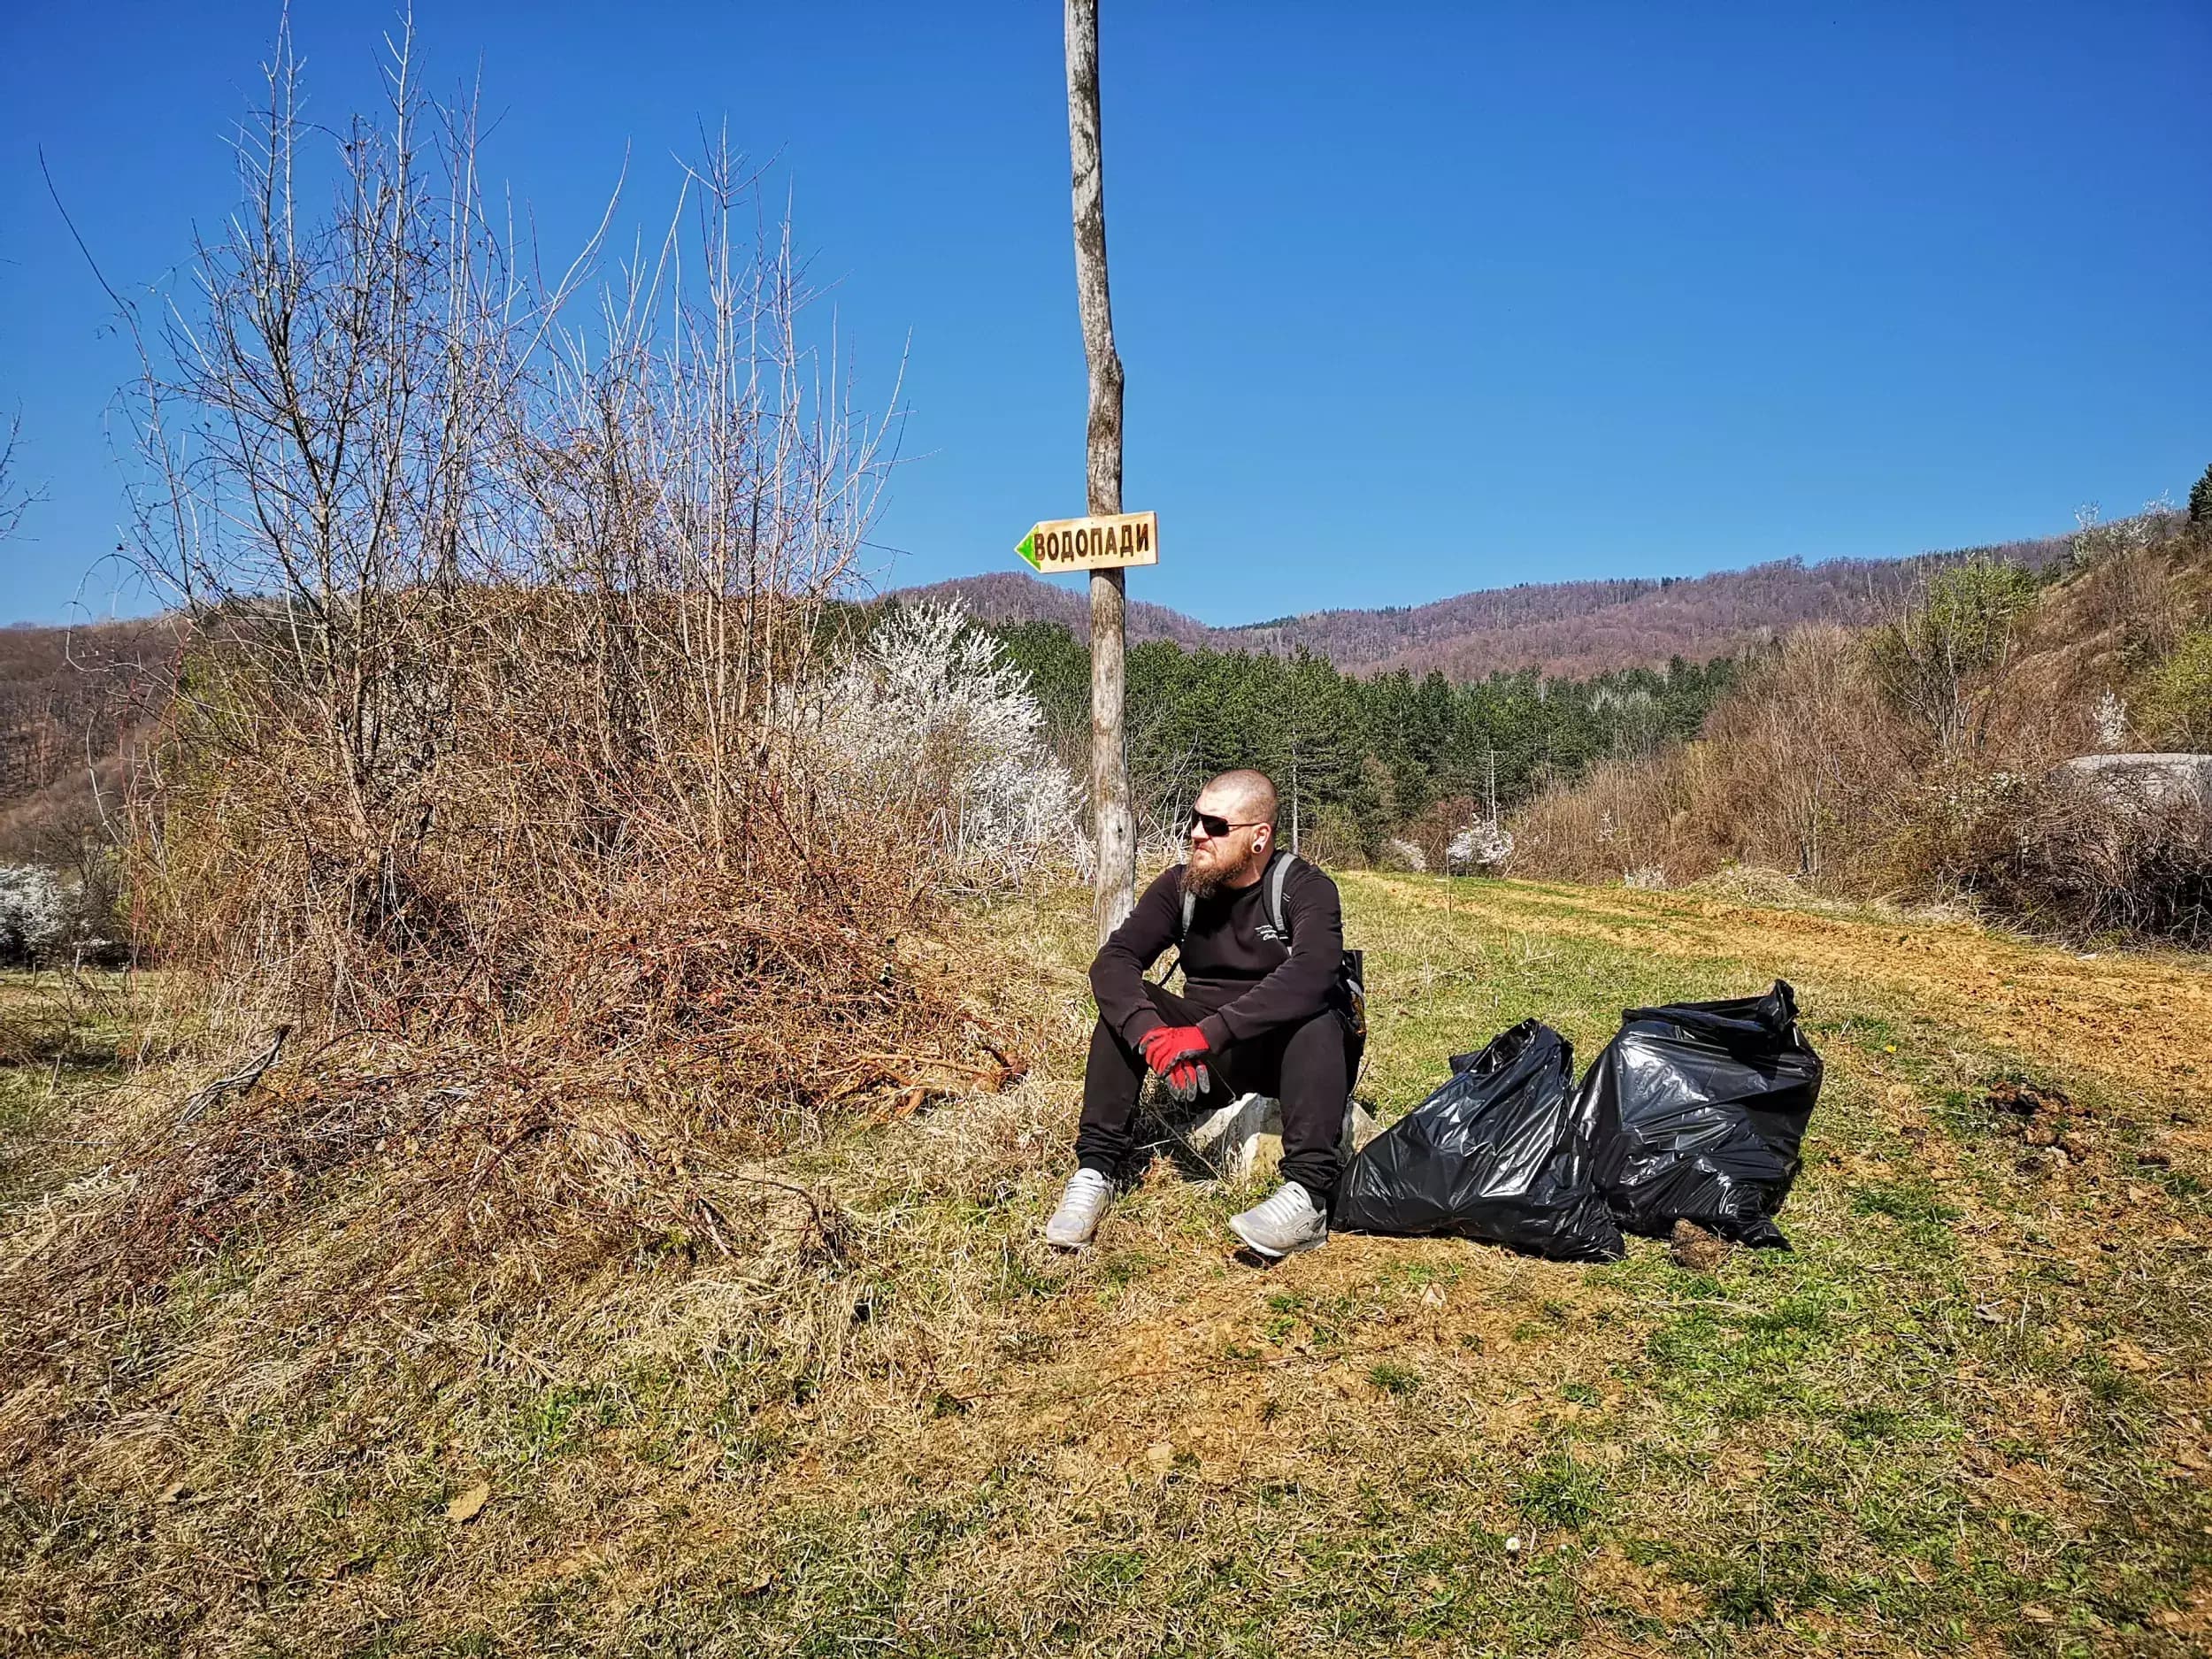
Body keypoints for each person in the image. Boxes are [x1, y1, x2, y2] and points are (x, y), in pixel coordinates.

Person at [1044, 768, 1352, 1258]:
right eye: (1194, 819)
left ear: (1259, 838)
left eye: (1215, 825)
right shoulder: (1180, 888)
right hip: (1208, 1060)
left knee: (1319, 1007)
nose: (1196, 833)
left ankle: (1307, 1196)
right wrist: (1151, 1035)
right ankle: (1095, 1172)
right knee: (1123, 1003)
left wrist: (1207, 1034)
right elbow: (1114, 961)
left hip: (1287, 1057)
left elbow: (1314, 970)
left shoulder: (1304, 888)